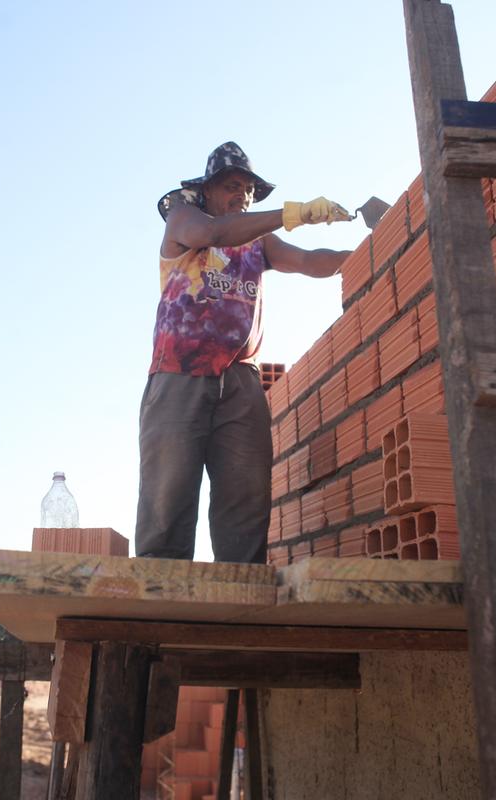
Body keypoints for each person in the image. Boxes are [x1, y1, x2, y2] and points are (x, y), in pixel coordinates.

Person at [136, 141, 353, 564]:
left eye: (250, 189)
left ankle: (239, 593)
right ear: (209, 191)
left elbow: (308, 261)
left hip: (239, 380)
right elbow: (213, 234)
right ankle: (161, 594)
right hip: (179, 372)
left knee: (246, 490)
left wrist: (368, 252)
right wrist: (296, 213)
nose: (244, 195)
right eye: (233, 186)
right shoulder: (184, 220)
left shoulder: (259, 244)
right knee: (169, 491)